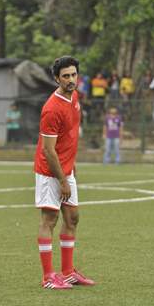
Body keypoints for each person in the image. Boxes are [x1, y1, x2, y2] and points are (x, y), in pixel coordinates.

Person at [34, 56, 95, 289]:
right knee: (49, 219)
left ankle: (68, 272)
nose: (71, 80)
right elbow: (48, 150)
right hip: (50, 171)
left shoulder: (75, 97)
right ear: (57, 78)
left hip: (66, 168)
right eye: (66, 76)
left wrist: (72, 166)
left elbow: (69, 137)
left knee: (72, 218)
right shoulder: (51, 109)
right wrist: (62, 179)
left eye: (74, 75)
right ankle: (48, 276)